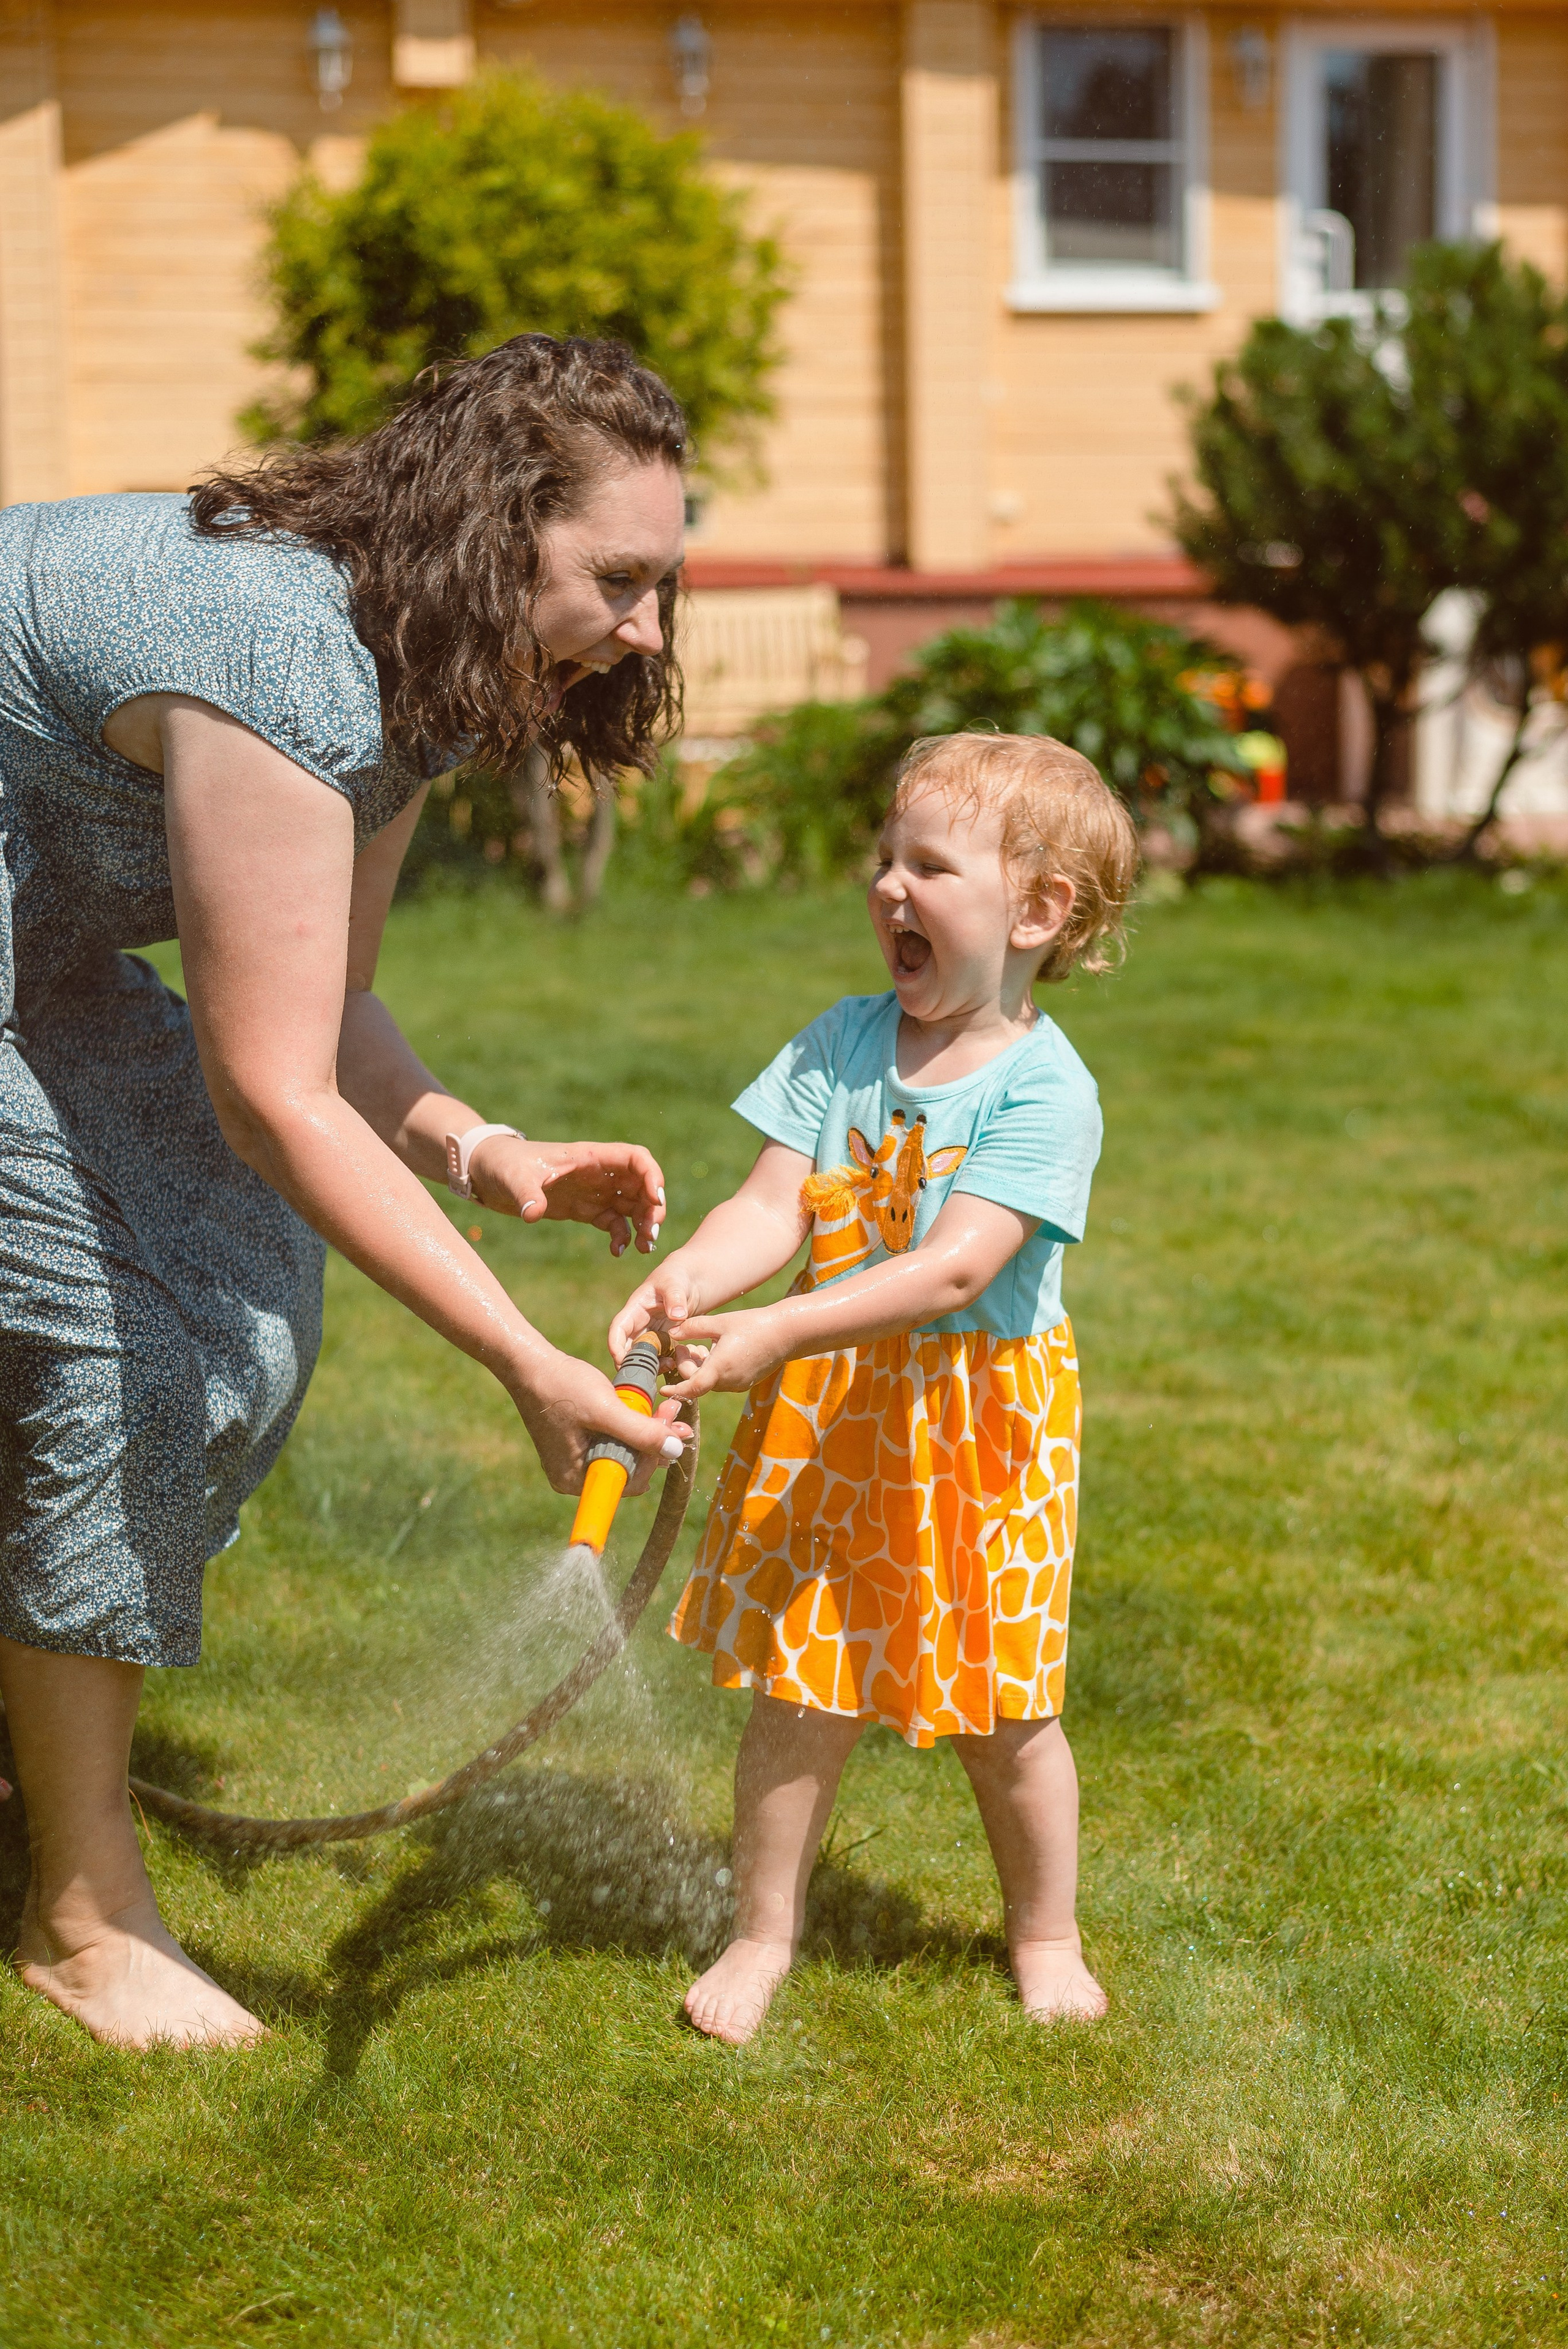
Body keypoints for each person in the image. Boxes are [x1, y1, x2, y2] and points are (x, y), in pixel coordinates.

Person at [0, 334, 692, 2049]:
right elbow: (270, 1099)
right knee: (137, 1342)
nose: (650, 628)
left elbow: (334, 1009)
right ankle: (81, 1918)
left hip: (41, 937)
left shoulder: (410, 665)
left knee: (237, 1302)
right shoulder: (274, 654)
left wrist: (484, 1148)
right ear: (495, 529)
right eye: (621, 579)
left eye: (663, 583)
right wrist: (525, 1362)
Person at [609, 732, 1137, 2044]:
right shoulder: (843, 1044)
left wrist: (776, 1330)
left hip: (977, 1433)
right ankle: (760, 1931)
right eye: (883, 860)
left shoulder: (1044, 1088)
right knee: (805, 1689)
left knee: (1002, 1710)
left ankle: (1043, 1933)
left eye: (929, 866)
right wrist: (694, 1281)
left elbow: (956, 1270)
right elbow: (764, 1205)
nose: (889, 888)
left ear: (1034, 912)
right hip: (831, 1424)